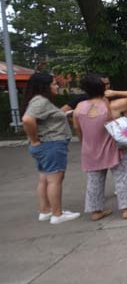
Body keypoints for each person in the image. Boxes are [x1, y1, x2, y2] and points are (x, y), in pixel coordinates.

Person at [73, 74, 127, 220]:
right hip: (113, 148)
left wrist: (85, 143)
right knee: (121, 178)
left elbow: (77, 128)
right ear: (103, 88)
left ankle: (95, 211)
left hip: (90, 149)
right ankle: (126, 209)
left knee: (94, 181)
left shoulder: (79, 107)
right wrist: (116, 92)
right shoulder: (110, 106)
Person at [22, 73, 80, 225]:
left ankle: (46, 210)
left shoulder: (37, 100)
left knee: (44, 179)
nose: (57, 86)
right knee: (55, 180)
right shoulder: (40, 101)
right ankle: (57, 214)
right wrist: (34, 139)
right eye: (54, 84)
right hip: (51, 145)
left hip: (45, 146)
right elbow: (27, 120)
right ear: (44, 86)